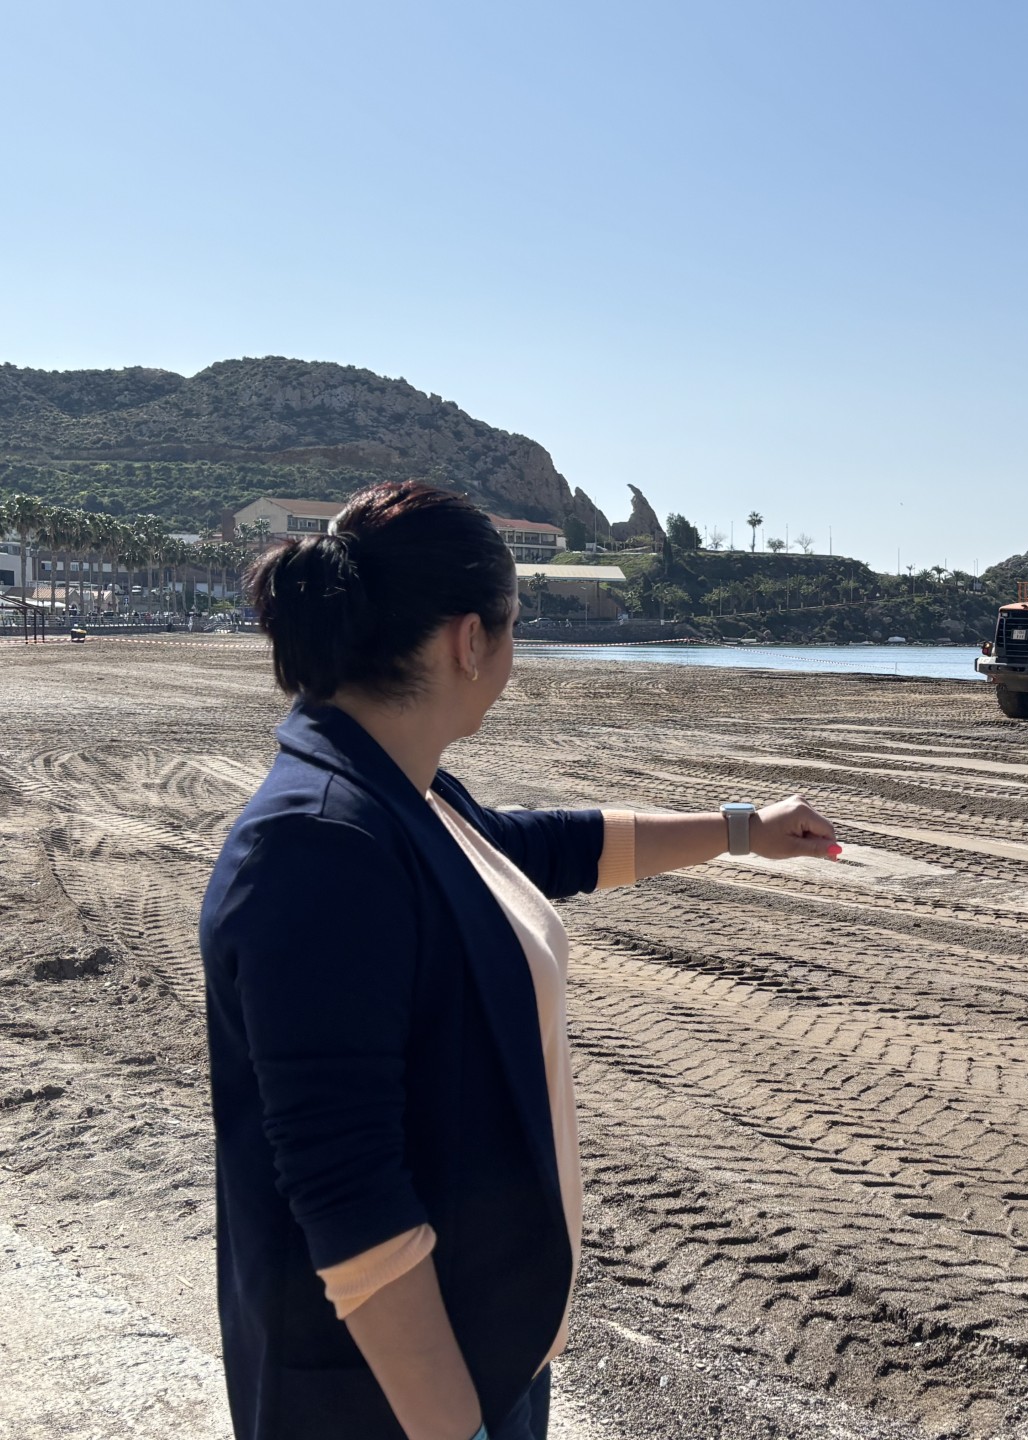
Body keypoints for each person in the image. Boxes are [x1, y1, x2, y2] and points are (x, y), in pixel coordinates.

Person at [199, 481, 838, 1440]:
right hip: (386, 1397)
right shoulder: (318, 847)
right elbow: (348, 1196)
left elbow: (540, 848)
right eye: (513, 628)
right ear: (469, 641)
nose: (512, 653)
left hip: (474, 1352)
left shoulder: (396, 795)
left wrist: (744, 829)